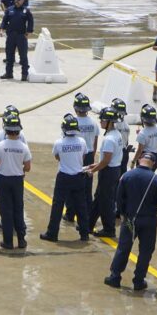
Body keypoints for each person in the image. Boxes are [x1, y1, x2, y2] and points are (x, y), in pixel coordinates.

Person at [104, 152, 157, 291]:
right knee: (146, 251)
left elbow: (119, 198)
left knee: (124, 247)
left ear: (139, 160)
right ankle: (139, 280)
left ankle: (115, 277)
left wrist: (121, 214)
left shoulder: (127, 176)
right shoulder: (156, 179)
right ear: (153, 163)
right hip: (149, 221)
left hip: (129, 220)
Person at [40, 114, 90, 242]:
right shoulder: (82, 142)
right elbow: (83, 157)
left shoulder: (59, 143)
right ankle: (84, 234)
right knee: (81, 206)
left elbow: (57, 157)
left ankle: (52, 234)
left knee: (57, 206)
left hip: (63, 177)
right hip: (78, 176)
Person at [0, 114, 31, 250]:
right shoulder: (24, 147)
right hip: (18, 180)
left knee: (6, 210)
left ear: (6, 130)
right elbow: (28, 167)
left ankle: (8, 241)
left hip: (3, 180)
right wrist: (19, 168)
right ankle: (21, 240)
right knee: (18, 209)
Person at [84, 107, 124, 238]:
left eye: (102, 120)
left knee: (106, 201)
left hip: (108, 172)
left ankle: (109, 229)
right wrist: (94, 165)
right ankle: (88, 224)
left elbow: (106, 160)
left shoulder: (109, 139)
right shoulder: (116, 134)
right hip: (114, 169)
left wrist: (92, 170)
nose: (100, 122)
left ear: (109, 122)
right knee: (99, 198)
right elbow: (109, 158)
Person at [63, 93, 98, 223]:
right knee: (87, 187)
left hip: (74, 155)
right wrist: (92, 155)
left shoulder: (71, 122)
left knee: (71, 186)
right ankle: (87, 214)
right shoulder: (93, 123)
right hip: (89, 155)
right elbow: (95, 140)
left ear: (75, 108)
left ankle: (70, 213)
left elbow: (65, 140)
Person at [0, 0, 34, 81]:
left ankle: (24, 74)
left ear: (23, 1)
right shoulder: (9, 9)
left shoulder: (26, 11)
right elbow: (4, 20)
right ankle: (9, 73)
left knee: (23, 56)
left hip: (21, 36)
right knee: (9, 55)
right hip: (11, 36)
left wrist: (29, 32)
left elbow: (30, 21)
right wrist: (2, 30)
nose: (17, 1)